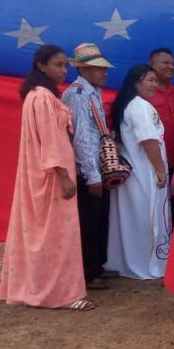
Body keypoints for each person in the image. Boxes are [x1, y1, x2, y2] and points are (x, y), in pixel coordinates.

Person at [0, 45, 93, 310]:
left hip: (44, 172)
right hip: (52, 175)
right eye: (58, 65)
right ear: (41, 65)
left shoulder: (39, 95)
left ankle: (40, 287)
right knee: (57, 234)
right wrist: (64, 176)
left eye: (65, 66)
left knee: (44, 233)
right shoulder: (42, 97)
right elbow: (51, 140)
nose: (63, 71)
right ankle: (61, 294)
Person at [107, 65, 172, 279]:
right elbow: (149, 140)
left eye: (155, 80)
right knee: (148, 217)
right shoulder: (141, 106)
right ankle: (148, 265)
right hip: (145, 172)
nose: (154, 84)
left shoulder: (129, 105)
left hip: (134, 172)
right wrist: (160, 170)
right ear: (136, 82)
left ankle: (131, 261)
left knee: (131, 218)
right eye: (149, 80)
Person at [61, 43, 115, 291]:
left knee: (100, 218)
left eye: (104, 68)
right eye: (98, 68)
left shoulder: (92, 92)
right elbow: (81, 137)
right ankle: (87, 271)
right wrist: (92, 175)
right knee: (89, 221)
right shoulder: (78, 94)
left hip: (97, 165)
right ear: (82, 69)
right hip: (88, 168)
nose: (104, 73)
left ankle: (97, 266)